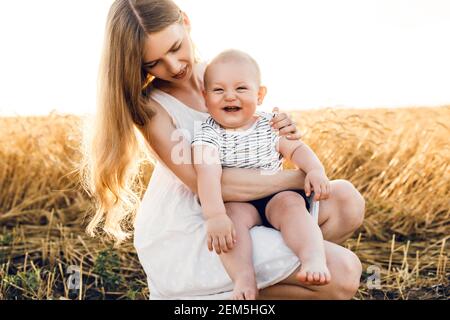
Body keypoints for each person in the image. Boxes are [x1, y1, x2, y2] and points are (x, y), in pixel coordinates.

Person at [81, 0, 365, 300]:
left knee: (346, 201)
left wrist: (281, 130)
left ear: (186, 21)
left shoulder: (224, 74)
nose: (174, 66)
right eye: (153, 63)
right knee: (343, 273)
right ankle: (223, 294)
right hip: (196, 227)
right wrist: (297, 179)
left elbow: (255, 134)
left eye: (176, 47)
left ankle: (267, 272)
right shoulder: (153, 108)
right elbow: (207, 185)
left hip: (253, 205)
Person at [192, 49, 333, 300]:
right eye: (218, 90)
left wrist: (315, 170)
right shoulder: (207, 133)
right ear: (205, 97)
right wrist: (214, 216)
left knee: (291, 204)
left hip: (272, 195)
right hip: (238, 202)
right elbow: (207, 174)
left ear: (260, 95)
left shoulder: (270, 124)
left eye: (241, 88)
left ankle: (312, 258)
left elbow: (296, 148)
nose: (230, 96)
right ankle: (244, 279)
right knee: (231, 218)